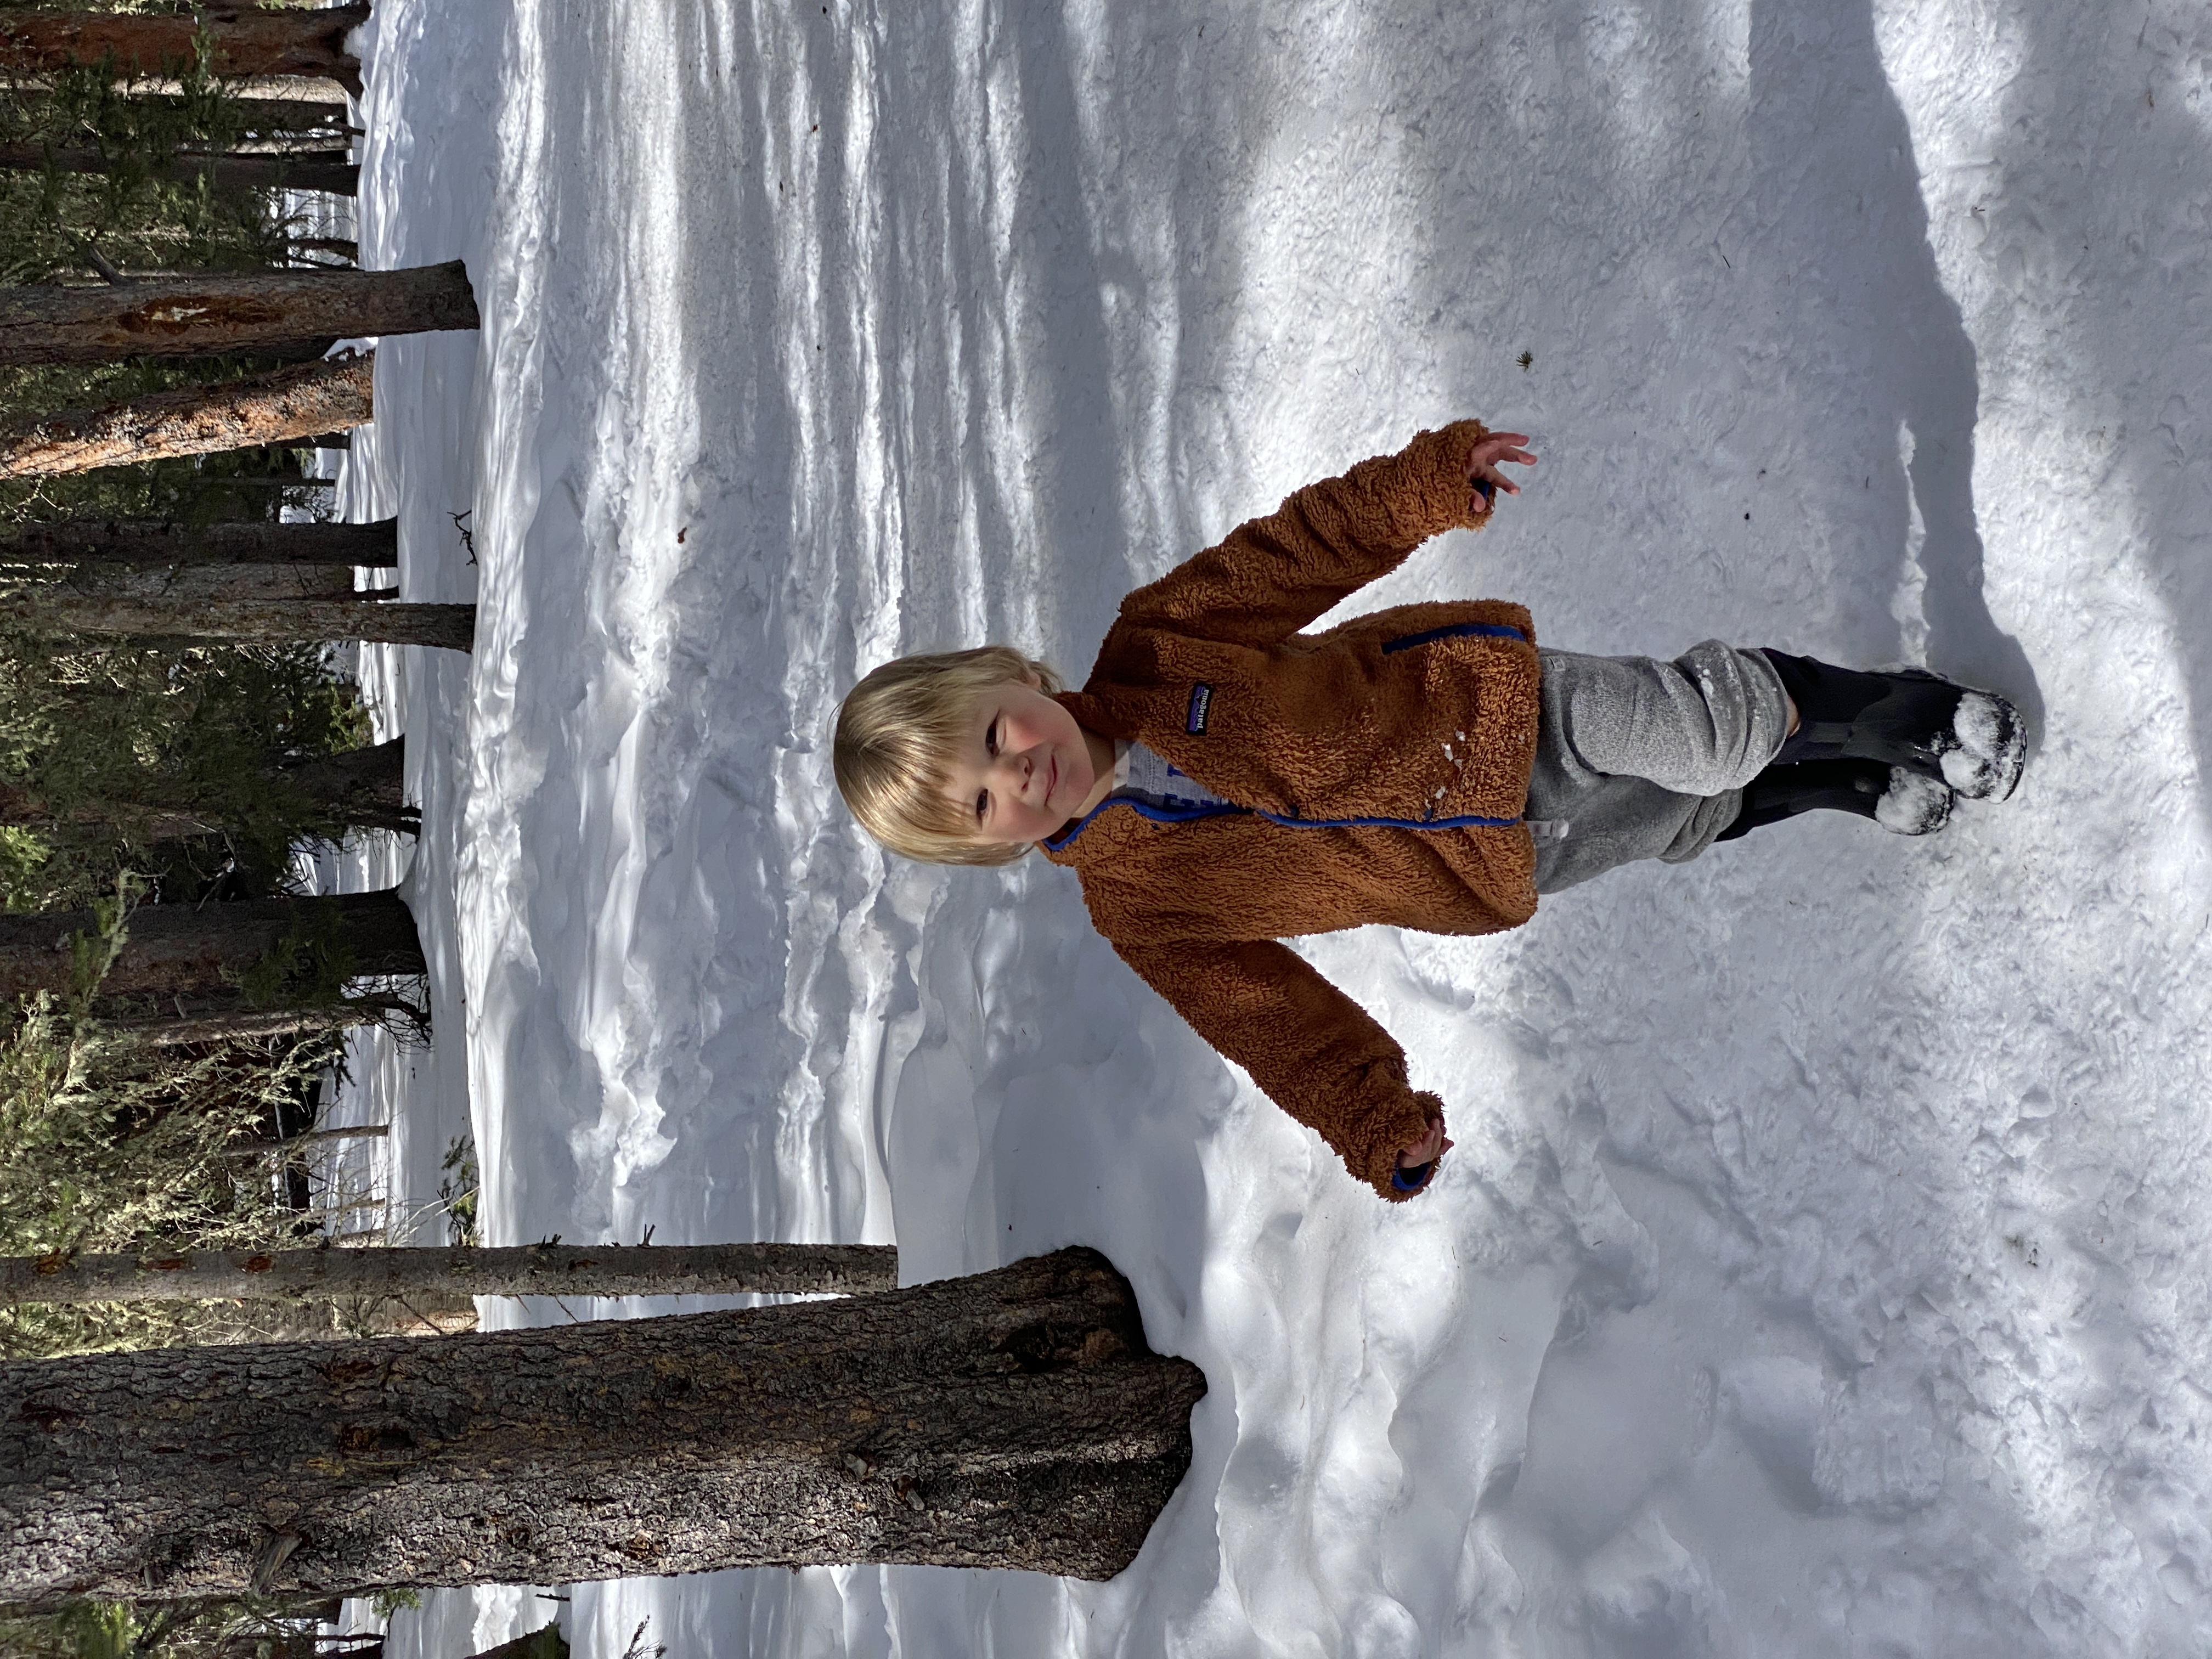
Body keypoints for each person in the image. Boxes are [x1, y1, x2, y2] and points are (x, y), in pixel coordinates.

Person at [833, 422, 2024, 1202]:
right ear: (988, 848)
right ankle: (1851, 783)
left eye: (995, 733)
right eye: (983, 801)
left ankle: (1898, 710)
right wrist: (1372, 1120)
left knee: (1700, 734)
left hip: (1495, 709)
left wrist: (1417, 490)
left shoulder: (1155, 643)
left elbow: (1296, 552)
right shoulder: (1140, 910)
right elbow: (1275, 1025)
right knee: (1683, 819)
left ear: (1015, 678)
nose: (1017, 771)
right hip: (1493, 863)